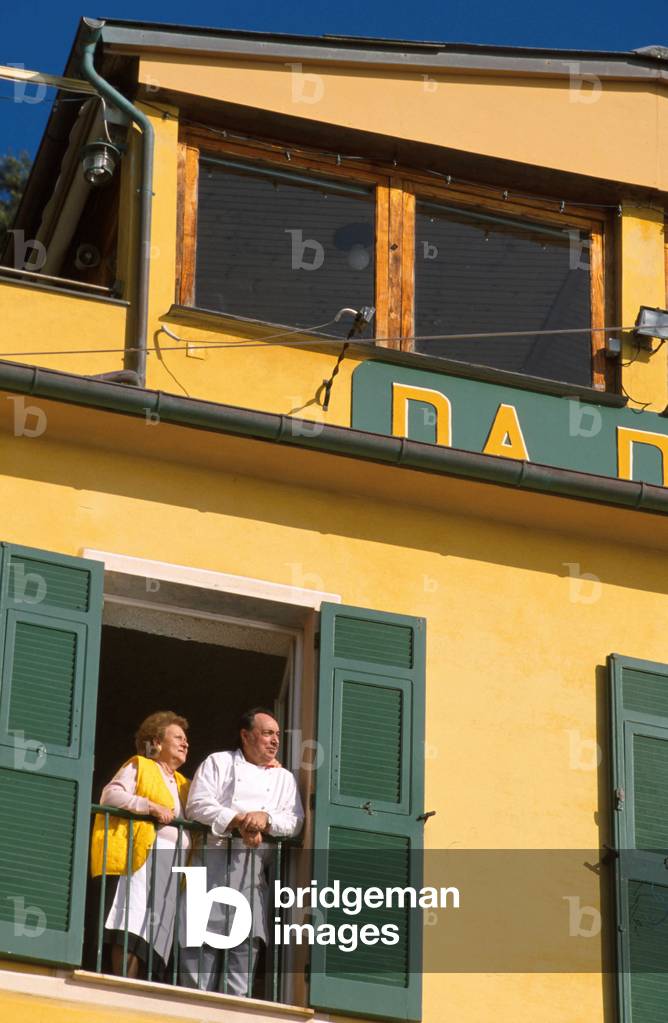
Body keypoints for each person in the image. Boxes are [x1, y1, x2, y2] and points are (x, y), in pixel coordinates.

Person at [180, 707, 304, 996]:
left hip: (251, 876)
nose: (275, 741)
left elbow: (295, 822)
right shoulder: (218, 763)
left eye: (277, 735)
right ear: (246, 735)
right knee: (197, 959)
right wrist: (239, 821)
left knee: (244, 954)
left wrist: (265, 818)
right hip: (208, 868)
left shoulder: (283, 778)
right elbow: (197, 805)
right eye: (267, 733)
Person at [89, 711, 190, 979]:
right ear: (157, 742)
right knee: (131, 923)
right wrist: (149, 806)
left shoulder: (185, 785)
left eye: (186, 739)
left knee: (155, 934)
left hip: (172, 866)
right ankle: (124, 984)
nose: (185, 743)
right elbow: (110, 795)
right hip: (140, 858)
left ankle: (144, 990)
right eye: (178, 737)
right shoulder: (140, 765)